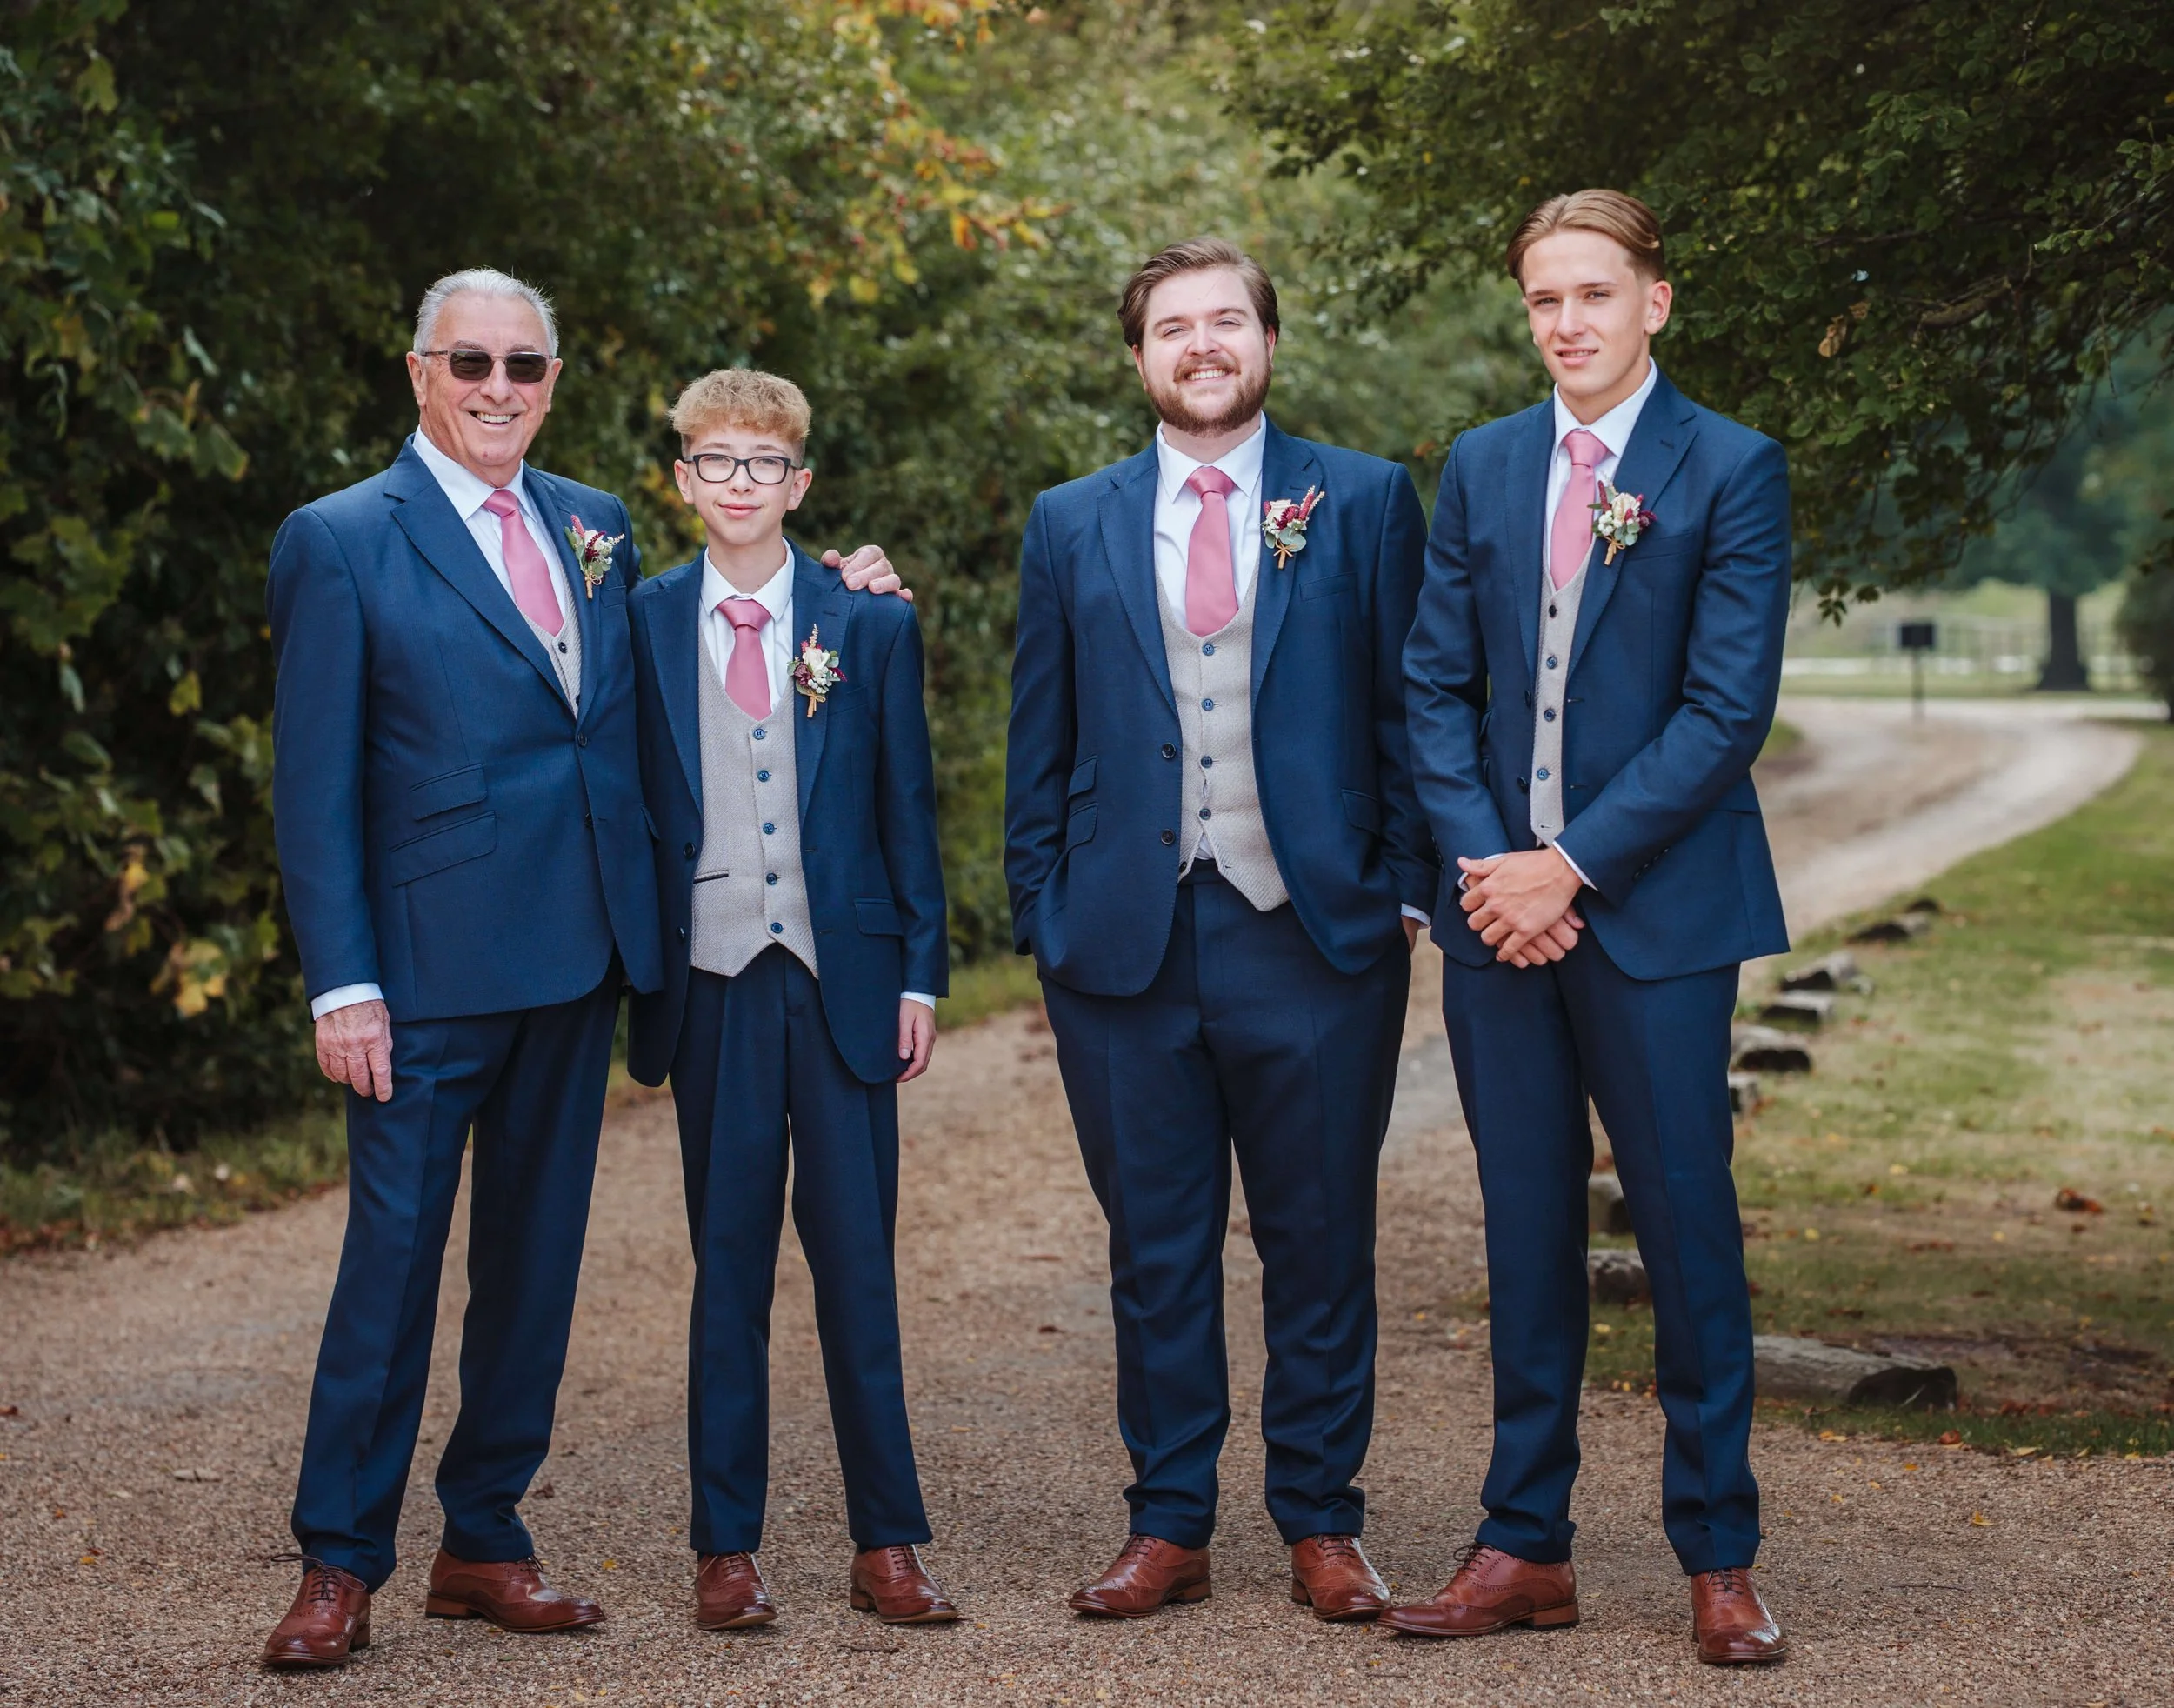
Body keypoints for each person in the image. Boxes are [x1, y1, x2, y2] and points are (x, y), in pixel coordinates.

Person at [261, 270, 904, 1669]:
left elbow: (698, 638)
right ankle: (339, 1561)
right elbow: (311, 789)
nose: (499, 388)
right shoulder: (340, 539)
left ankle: (483, 1538)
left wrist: (846, 594)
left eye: (526, 365)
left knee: (533, 1270)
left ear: (553, 379)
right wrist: (342, 981)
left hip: (581, 957)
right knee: (393, 1268)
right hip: (423, 976)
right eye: (472, 362)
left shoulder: (596, 527)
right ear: (419, 372)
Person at [1383, 190, 1791, 1665]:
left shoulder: (1731, 467)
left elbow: (1724, 710)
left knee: (1688, 1229)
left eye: (1595, 296)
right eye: (1545, 299)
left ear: (1655, 304)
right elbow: (1433, 688)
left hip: (1659, 920)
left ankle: (1719, 1554)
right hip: (1500, 920)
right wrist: (1494, 866)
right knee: (1525, 1233)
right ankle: (1522, 1545)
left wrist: (1573, 865)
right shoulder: (1486, 466)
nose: (1568, 323)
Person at [1004, 238, 1431, 1622]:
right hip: (1124, 942)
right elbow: (1040, 736)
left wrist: (1401, 888)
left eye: (1226, 321)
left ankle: (1321, 1518)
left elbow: (1412, 708)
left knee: (1319, 1238)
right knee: (1158, 1247)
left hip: (1312, 934)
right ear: (1139, 355)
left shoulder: (1361, 500)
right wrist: (1044, 911)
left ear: (1266, 341)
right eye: (1174, 326)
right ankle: (1168, 1520)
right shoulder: (1071, 520)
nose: (1202, 344)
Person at [624, 369, 953, 1631]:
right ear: (684, 482)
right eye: (716, 463)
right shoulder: (640, 617)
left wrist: (924, 967)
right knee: (731, 1270)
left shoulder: (865, 624)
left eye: (765, 465)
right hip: (707, 981)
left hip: (844, 976)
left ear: (800, 483)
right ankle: (727, 1547)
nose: (742, 485)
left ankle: (890, 1543)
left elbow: (905, 808)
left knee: (859, 1269)